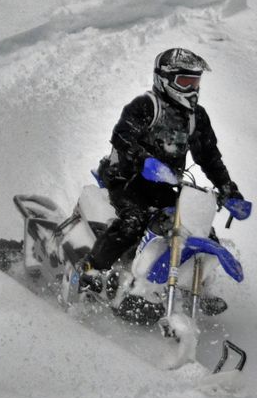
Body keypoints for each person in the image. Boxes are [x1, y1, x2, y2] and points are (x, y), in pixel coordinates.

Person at [77, 47, 244, 293]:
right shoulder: (146, 105)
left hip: (165, 185)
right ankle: (93, 269)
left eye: (195, 81)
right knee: (133, 221)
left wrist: (228, 189)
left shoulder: (196, 117)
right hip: (126, 180)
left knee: (199, 229)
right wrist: (142, 160)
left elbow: (209, 157)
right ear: (164, 80)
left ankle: (197, 286)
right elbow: (122, 137)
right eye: (185, 81)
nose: (192, 88)